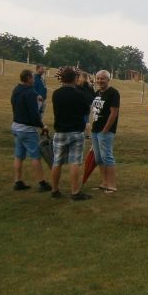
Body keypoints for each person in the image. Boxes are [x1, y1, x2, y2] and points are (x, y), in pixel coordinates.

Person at [50, 67, 92, 200]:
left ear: (62, 79)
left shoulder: (56, 93)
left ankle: (54, 190)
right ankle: (75, 192)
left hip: (60, 131)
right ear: (75, 79)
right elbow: (86, 110)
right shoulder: (79, 94)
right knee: (75, 162)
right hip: (76, 131)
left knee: (57, 162)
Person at [11, 68, 52, 192]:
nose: (34, 80)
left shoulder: (16, 89)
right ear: (29, 78)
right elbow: (34, 114)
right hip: (27, 129)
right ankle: (42, 183)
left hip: (16, 126)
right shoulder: (31, 93)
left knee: (18, 155)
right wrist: (42, 126)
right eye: (32, 78)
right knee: (35, 156)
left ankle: (18, 181)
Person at [89, 70, 120, 192]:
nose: (100, 81)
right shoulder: (97, 93)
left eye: (102, 78)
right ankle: (104, 183)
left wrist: (105, 130)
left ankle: (112, 185)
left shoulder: (113, 93)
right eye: (98, 78)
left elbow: (114, 113)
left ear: (108, 80)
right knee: (99, 158)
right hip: (95, 130)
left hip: (105, 131)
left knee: (107, 157)